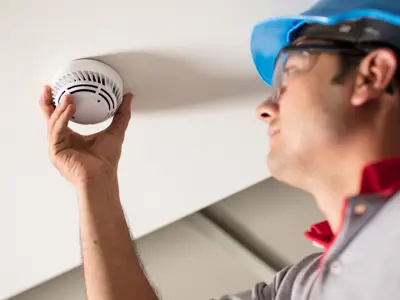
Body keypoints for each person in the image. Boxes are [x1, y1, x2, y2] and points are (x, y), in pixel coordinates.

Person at [39, 0, 400, 299]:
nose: (265, 109)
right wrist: (96, 183)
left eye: (290, 72)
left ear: (371, 75)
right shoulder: (304, 288)